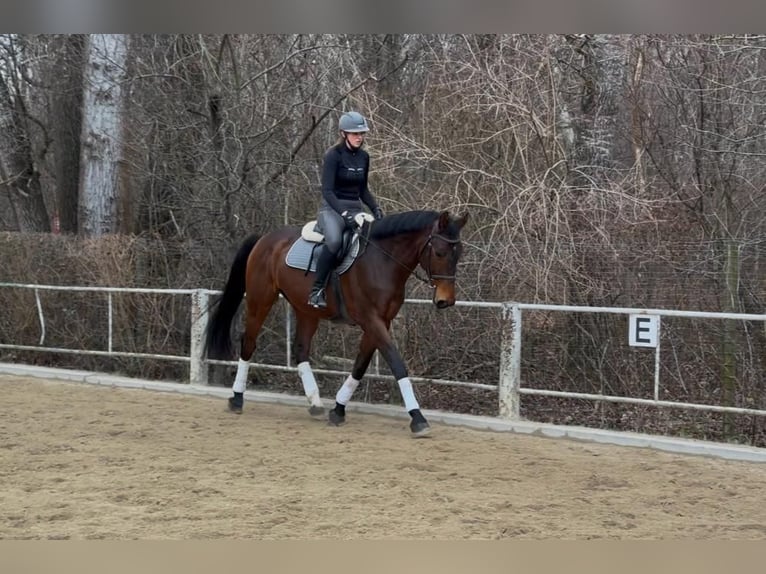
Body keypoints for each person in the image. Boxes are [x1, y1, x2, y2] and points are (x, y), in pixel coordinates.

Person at [308, 111, 384, 308]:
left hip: (356, 209)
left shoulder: (364, 157)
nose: (359, 137)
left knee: (374, 241)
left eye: (361, 134)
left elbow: (362, 189)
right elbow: (327, 191)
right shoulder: (333, 156)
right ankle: (316, 291)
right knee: (334, 242)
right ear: (343, 134)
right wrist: (344, 214)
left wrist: (375, 208)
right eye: (355, 134)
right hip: (332, 210)